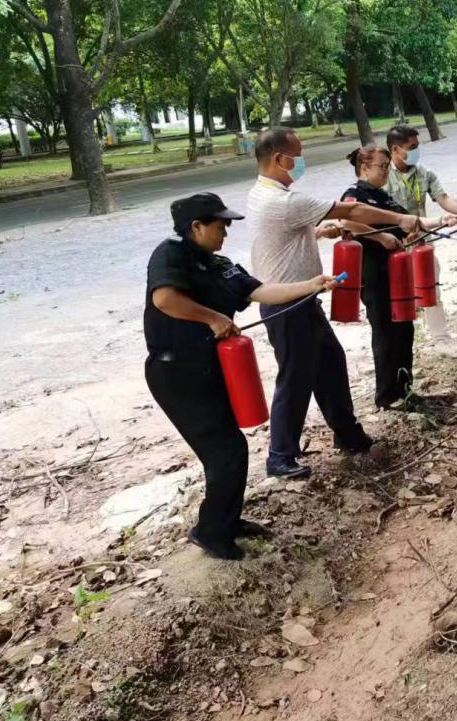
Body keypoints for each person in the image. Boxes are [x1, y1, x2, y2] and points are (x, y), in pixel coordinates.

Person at [144, 192, 338, 561]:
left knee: (229, 449)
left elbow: (261, 290)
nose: (226, 232)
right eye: (220, 225)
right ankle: (211, 532)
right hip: (176, 373)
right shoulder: (171, 254)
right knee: (226, 450)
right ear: (196, 227)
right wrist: (213, 318)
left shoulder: (220, 265)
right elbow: (165, 299)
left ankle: (226, 522)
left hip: (210, 369)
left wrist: (311, 284)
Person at [245, 127, 440, 477]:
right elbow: (353, 211)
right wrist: (400, 219)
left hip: (304, 299)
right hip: (287, 304)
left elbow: (286, 233)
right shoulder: (284, 202)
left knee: (331, 365)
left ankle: (348, 434)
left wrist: (318, 232)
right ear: (279, 158)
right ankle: (280, 456)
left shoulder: (262, 194)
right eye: (297, 155)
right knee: (295, 378)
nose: (301, 161)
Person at [338, 145, 441, 410]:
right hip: (374, 274)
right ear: (364, 168)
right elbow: (345, 223)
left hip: (396, 273)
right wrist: (380, 236)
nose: (386, 172)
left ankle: (405, 390)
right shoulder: (355, 194)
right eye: (382, 167)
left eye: (387, 167)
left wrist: (445, 220)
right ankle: (386, 396)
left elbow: (408, 220)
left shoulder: (382, 196)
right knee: (386, 331)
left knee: (404, 328)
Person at [384, 125, 457, 336]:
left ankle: (439, 334)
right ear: (395, 149)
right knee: (397, 291)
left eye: (417, 146)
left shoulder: (424, 173)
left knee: (429, 284)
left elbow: (444, 199)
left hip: (422, 239)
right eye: (411, 147)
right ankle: (405, 336)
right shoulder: (383, 175)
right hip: (393, 243)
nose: (416, 151)